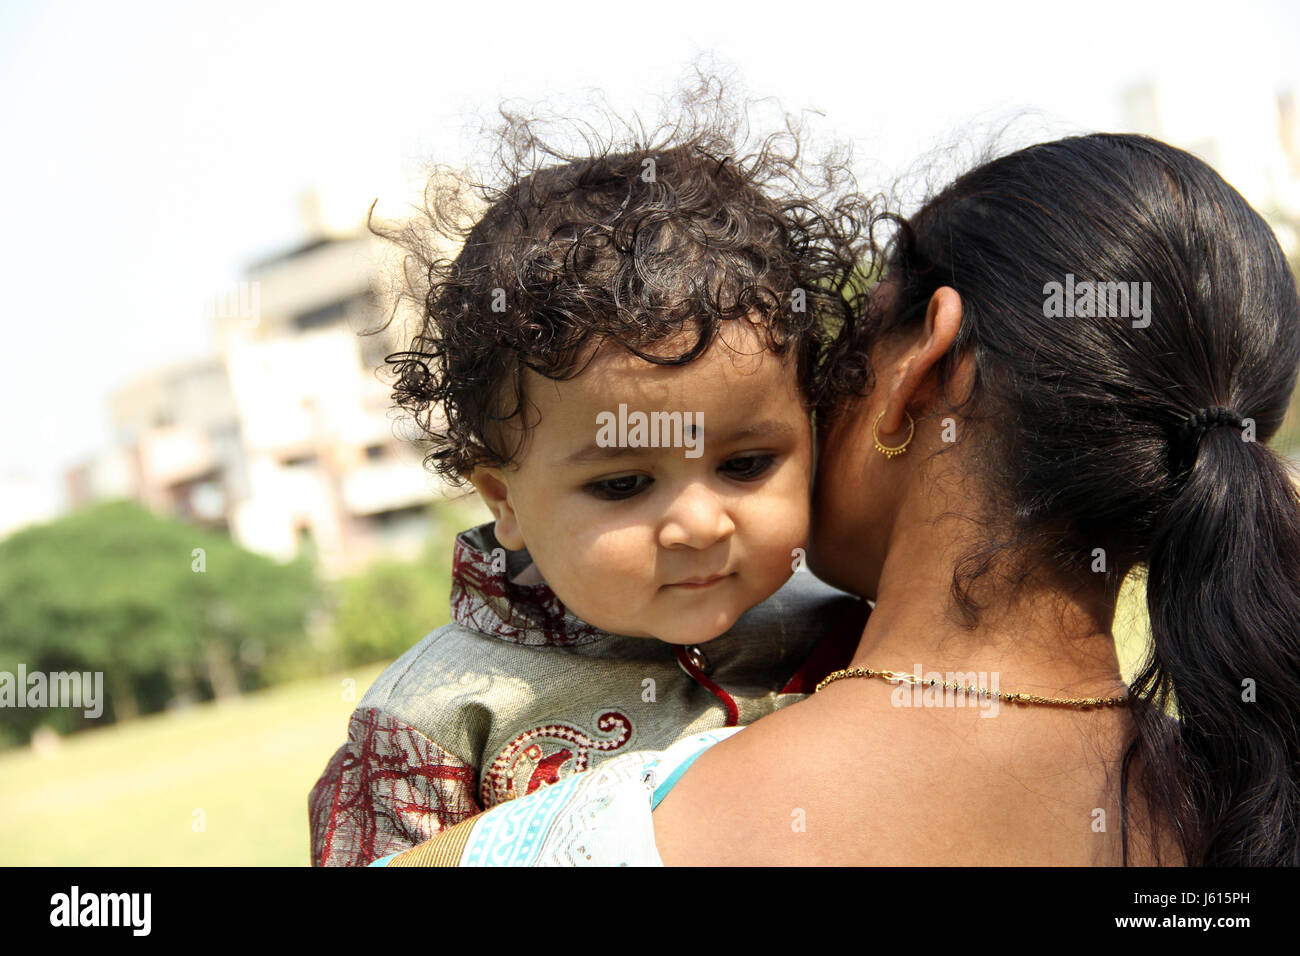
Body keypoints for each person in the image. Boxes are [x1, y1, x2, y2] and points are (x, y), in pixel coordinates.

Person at [373, 131, 1300, 867]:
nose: (699, 518)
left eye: (845, 349)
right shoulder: (1248, 803)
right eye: (623, 480)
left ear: (919, 368)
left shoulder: (567, 837)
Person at [308, 93, 871, 866]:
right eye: (623, 484)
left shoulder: (858, 640)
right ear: (503, 500)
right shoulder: (439, 717)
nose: (701, 525)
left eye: (745, 465)